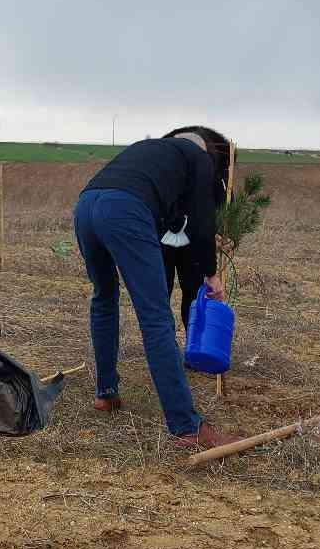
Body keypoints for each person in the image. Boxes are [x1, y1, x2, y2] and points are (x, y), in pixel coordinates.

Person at [73, 127, 235, 449]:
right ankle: (187, 427)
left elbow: (171, 218)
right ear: (206, 152)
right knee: (156, 317)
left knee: (104, 297)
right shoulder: (199, 158)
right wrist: (211, 274)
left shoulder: (151, 150)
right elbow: (202, 222)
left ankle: (106, 393)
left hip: (86, 207)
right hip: (125, 210)